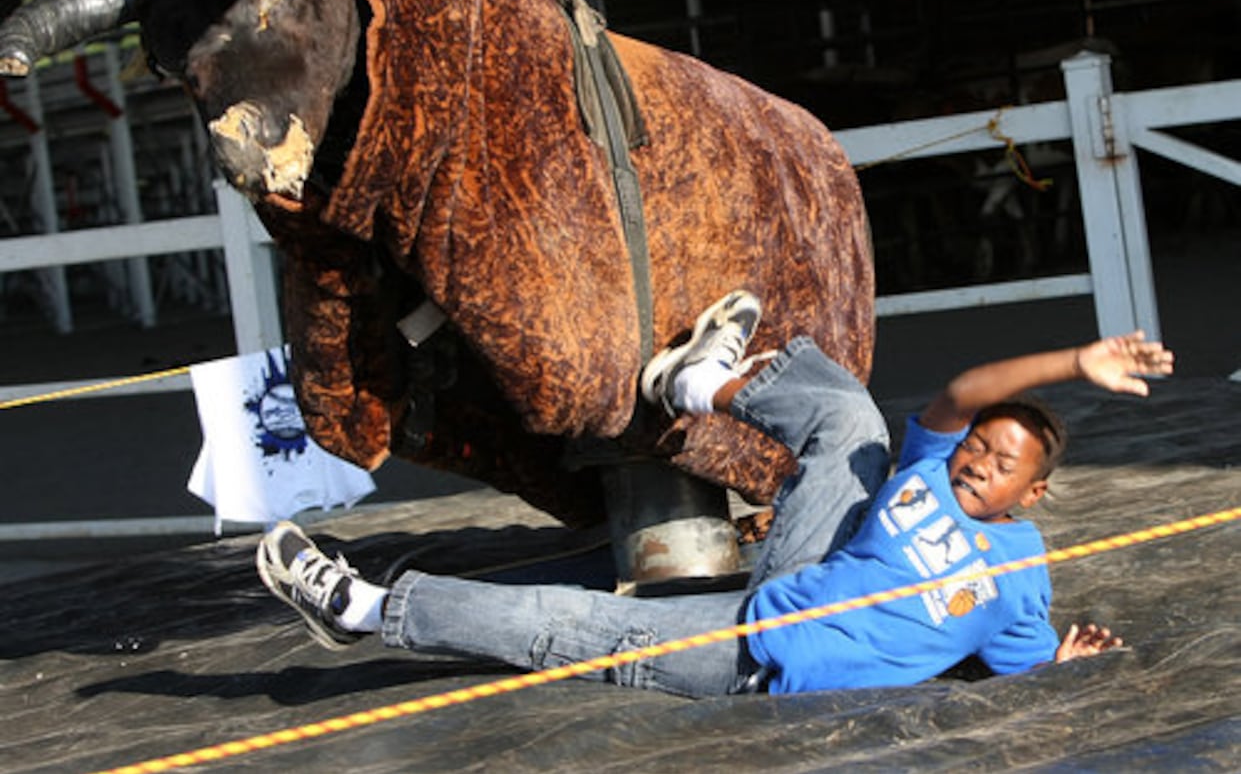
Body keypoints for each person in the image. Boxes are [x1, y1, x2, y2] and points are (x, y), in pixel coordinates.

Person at [256, 290, 1174, 696]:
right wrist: (1074, 362)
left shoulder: (1019, 574)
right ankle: (697, 387)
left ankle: (370, 608)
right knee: (853, 421)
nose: (978, 458)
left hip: (765, 654)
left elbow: (1009, 668)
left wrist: (1061, 670)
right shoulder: (929, 471)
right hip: (807, 565)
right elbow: (962, 391)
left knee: (576, 629)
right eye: (979, 445)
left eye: (1000, 460)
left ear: (1034, 492)